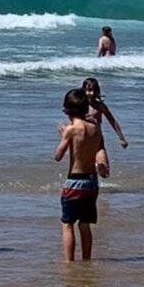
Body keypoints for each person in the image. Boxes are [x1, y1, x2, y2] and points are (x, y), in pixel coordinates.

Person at [54, 88, 107, 261]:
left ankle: (69, 262)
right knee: (85, 225)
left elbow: (58, 156)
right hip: (91, 182)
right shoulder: (95, 128)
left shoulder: (71, 130)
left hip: (74, 181)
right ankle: (86, 260)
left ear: (67, 110)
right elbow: (98, 149)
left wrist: (63, 135)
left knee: (67, 224)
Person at [80, 78, 128, 176]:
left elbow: (112, 121)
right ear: (84, 91)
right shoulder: (80, 106)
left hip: (98, 141)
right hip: (83, 141)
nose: (91, 93)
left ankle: (96, 171)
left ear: (97, 91)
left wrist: (121, 138)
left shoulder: (100, 106)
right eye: (88, 91)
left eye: (93, 90)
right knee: (85, 169)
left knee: (105, 172)